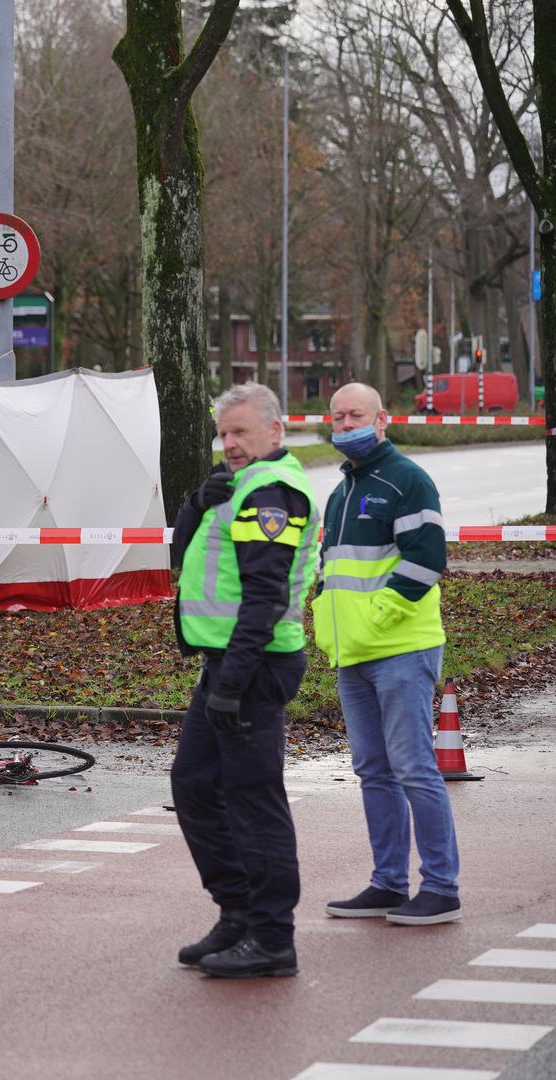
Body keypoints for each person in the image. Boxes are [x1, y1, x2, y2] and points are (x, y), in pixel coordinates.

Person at [169, 382, 320, 977]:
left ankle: (272, 937)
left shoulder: (273, 491)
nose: (229, 444)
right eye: (223, 433)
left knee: (253, 801)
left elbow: (263, 595)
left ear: (274, 433)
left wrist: (232, 682)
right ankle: (237, 912)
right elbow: (182, 558)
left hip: (253, 666)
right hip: (226, 664)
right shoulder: (236, 485)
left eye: (241, 433)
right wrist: (195, 503)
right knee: (195, 786)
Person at [316, 383, 460, 925]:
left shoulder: (406, 480)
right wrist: (328, 627)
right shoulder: (341, 491)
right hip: (352, 655)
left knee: (414, 768)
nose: (344, 424)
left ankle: (442, 888)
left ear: (382, 420)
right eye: (337, 417)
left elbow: (426, 562)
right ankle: (388, 883)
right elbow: (332, 568)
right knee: (373, 770)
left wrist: (375, 620)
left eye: (355, 415)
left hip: (401, 648)